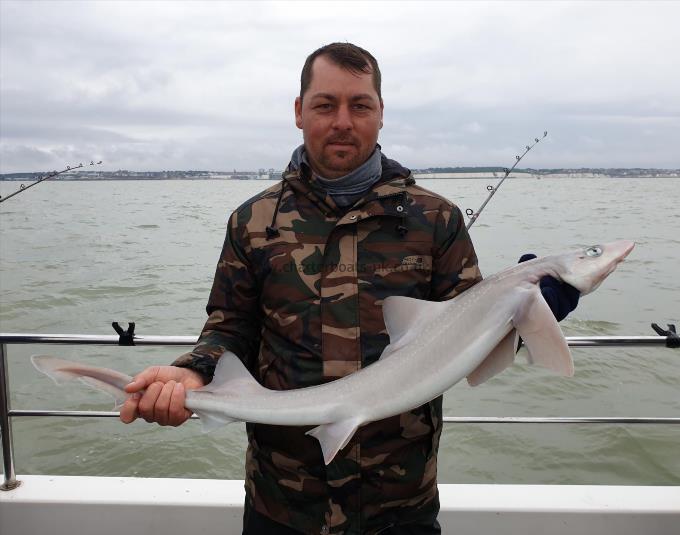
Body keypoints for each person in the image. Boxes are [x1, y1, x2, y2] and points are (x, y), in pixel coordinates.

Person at [120, 43, 578, 535]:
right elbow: (229, 329)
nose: (343, 120)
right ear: (299, 112)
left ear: (381, 113)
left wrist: (529, 313)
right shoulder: (253, 222)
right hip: (283, 502)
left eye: (360, 105)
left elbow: (471, 337)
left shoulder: (436, 219)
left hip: (400, 503)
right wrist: (193, 373)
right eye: (325, 104)